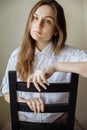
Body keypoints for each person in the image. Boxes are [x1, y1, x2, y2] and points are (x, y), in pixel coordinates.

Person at [0, 0, 87, 129]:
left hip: (60, 122)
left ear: (57, 29)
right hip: (23, 121)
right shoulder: (16, 55)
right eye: (35, 18)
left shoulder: (70, 54)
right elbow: (6, 91)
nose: (38, 24)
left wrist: (55, 67)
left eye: (47, 21)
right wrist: (25, 101)